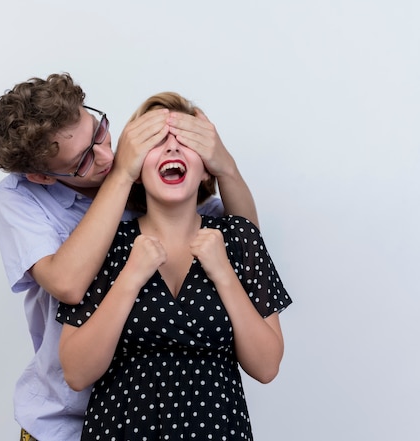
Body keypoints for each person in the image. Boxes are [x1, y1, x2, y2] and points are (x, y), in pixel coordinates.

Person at [0, 73, 260, 441]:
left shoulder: (148, 179)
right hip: (63, 419)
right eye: (82, 160)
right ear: (41, 175)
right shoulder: (19, 197)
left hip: (143, 414)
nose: (105, 156)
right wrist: (123, 176)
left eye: (100, 132)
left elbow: (248, 248)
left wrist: (225, 166)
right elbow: (67, 284)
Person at [57, 92, 292, 440]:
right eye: (156, 141)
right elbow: (76, 373)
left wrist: (224, 273)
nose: (171, 149)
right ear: (134, 168)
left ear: (206, 166)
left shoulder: (239, 237)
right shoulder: (104, 243)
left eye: (185, 140)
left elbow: (267, 366)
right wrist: (131, 277)